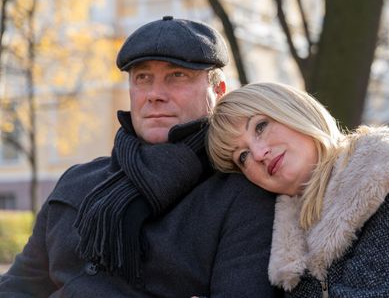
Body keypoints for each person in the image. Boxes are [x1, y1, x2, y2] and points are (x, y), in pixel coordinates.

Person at [0, 17, 282, 297]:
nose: (155, 94)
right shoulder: (76, 182)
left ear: (218, 92)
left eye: (177, 76)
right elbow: (18, 287)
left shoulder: (241, 197)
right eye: (143, 78)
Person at [207, 82, 389, 297]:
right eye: (241, 156)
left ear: (294, 110)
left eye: (261, 126)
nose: (258, 153)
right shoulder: (287, 234)